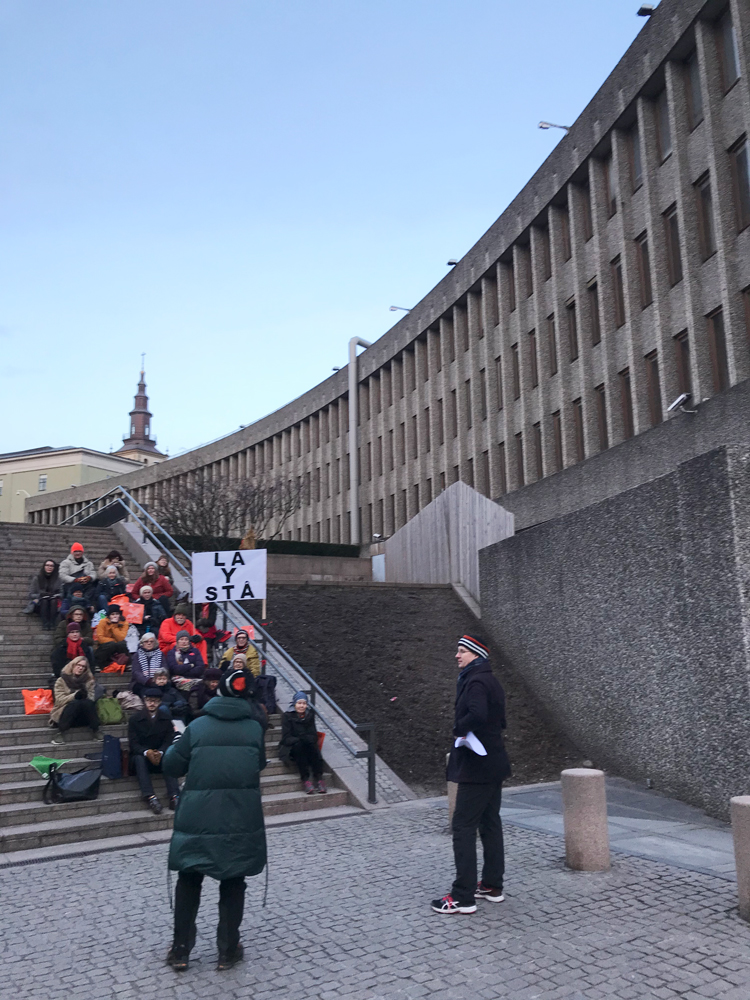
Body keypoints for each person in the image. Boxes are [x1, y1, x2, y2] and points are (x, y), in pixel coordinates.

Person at [162, 667, 268, 972]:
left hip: (198, 817)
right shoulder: (254, 729)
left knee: (190, 877)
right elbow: (258, 763)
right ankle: (227, 950)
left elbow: (171, 765)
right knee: (233, 880)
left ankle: (181, 949)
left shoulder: (197, 727)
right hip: (238, 816)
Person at [431, 635, 511, 915]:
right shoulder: (491, 680)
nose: (457, 655)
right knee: (490, 823)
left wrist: (459, 730)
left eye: (462, 651)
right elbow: (500, 720)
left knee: (463, 827)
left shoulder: (475, 681)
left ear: (476, 655)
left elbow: (477, 714)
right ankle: (492, 885)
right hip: (494, 762)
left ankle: (462, 897)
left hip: (477, 767)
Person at [128, 686, 180, 814]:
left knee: (169, 756)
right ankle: (150, 796)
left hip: (159, 756)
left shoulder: (166, 719)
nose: (152, 704)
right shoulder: (135, 719)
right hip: (142, 756)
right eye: (149, 700)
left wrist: (160, 752)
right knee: (139, 759)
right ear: (144, 701)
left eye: (155, 701)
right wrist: (147, 752)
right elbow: (133, 744)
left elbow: (168, 740)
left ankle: (175, 796)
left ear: (160, 702)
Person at [279, 690, 326, 794]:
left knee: (313, 746)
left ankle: (319, 778)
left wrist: (307, 739)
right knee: (300, 747)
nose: (302, 706)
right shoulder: (287, 716)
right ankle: (305, 780)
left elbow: (313, 734)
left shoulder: (309, 715)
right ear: (294, 704)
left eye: (304, 703)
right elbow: (286, 738)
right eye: (299, 703)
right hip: (292, 745)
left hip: (307, 743)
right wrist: (301, 738)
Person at [50, 657, 102, 744]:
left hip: (82, 715)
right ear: (73, 665)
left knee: (87, 703)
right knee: (75, 703)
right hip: (64, 714)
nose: (80, 668)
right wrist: (75, 696)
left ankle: (96, 731)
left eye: (83, 667)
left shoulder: (89, 681)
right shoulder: (61, 680)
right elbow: (59, 701)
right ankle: (60, 733)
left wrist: (85, 695)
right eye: (78, 665)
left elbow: (92, 699)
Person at [24, 559, 61, 629]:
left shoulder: (58, 579)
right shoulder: (37, 578)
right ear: (44, 566)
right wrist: (41, 595)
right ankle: (45, 623)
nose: (49, 567)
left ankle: (52, 623)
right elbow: (31, 595)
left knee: (53, 601)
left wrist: (55, 595)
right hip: (38, 601)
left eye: (51, 566)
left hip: (54, 601)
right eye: (47, 565)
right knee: (44, 601)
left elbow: (62, 593)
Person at [58, 543, 97, 609]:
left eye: (79, 551)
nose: (77, 553)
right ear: (72, 552)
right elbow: (62, 575)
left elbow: (93, 573)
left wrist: (89, 578)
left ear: (82, 552)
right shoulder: (66, 562)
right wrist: (75, 580)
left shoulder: (89, 563)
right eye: (75, 551)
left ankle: (87, 603)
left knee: (93, 587)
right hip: (71, 584)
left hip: (85, 584)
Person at [93, 604, 131, 670]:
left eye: (117, 614)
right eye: (112, 614)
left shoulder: (124, 623)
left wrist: (114, 626)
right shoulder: (103, 622)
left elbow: (121, 638)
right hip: (105, 646)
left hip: (118, 645)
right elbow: (100, 638)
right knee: (111, 645)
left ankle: (126, 665)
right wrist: (113, 641)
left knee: (122, 644)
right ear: (109, 615)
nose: (115, 616)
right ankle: (99, 665)